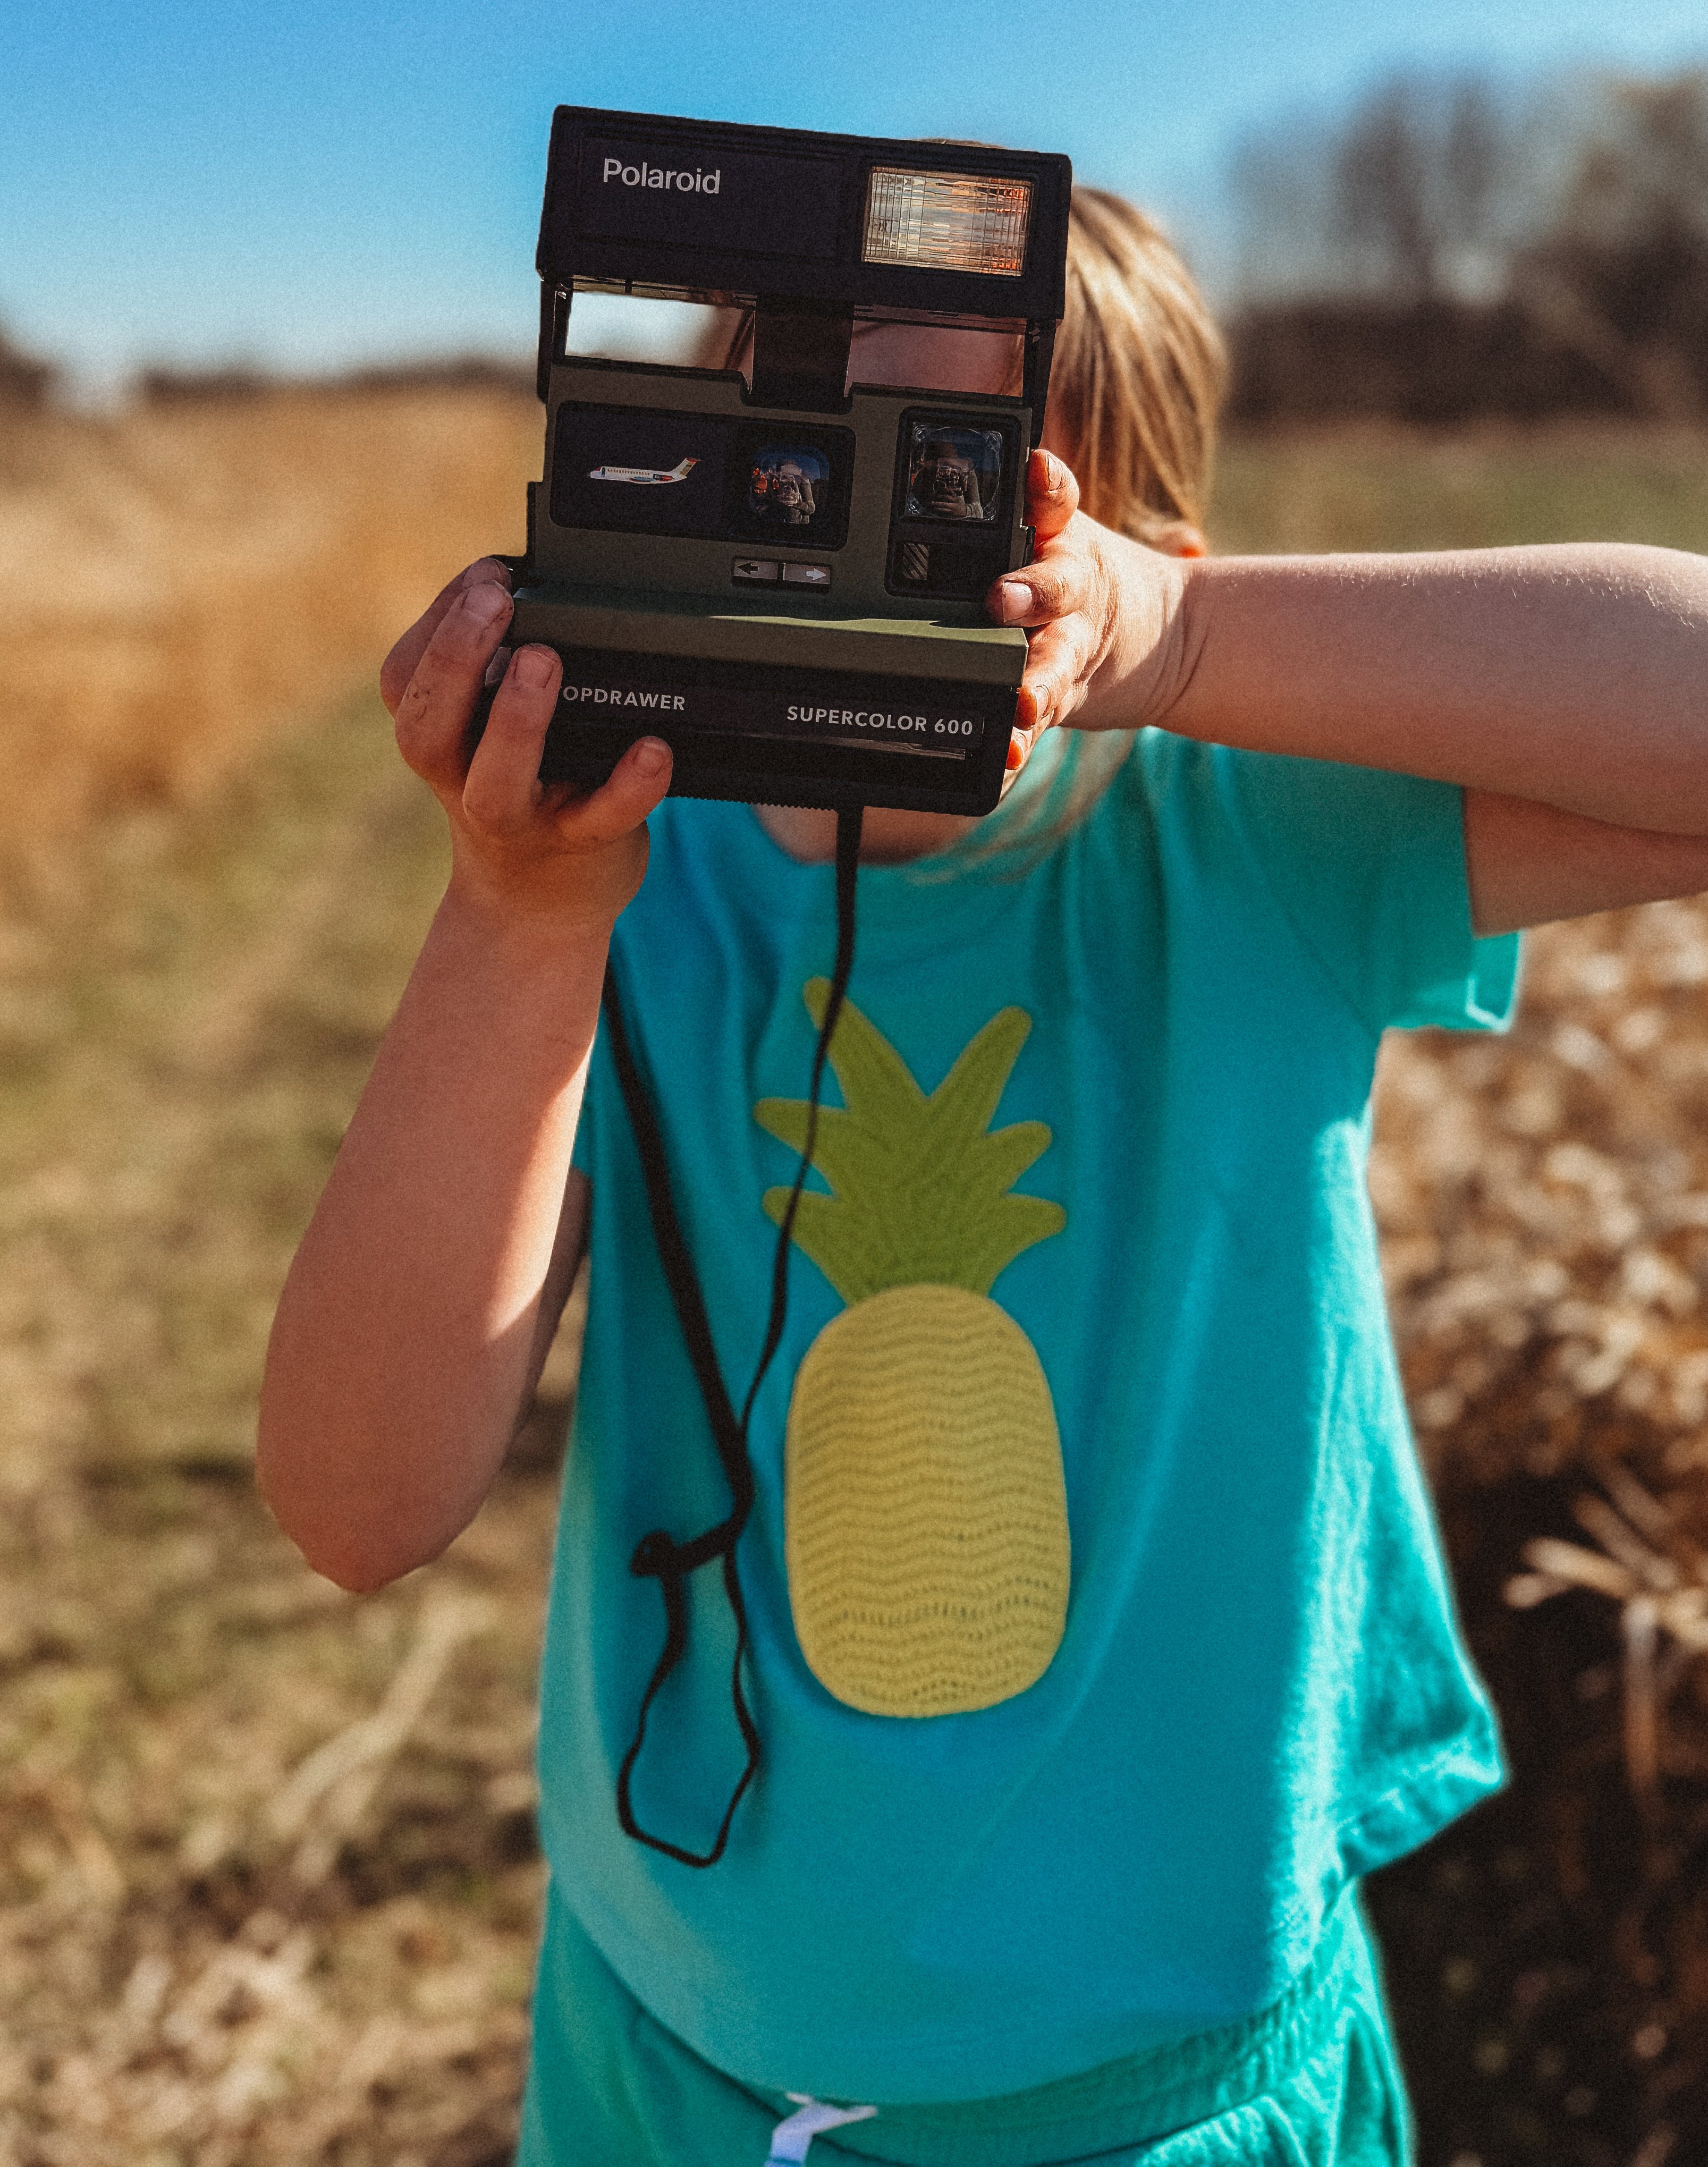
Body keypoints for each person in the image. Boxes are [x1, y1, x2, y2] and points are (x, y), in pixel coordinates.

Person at [258, 189, 1708, 2166]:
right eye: (798, 483)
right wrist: (515, 926)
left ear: (1118, 557)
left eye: (957, 512)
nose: (864, 562)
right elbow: (357, 1500)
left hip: (1165, 2077)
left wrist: (1194, 645)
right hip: (673, 2044)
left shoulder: (1242, 832)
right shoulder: (627, 896)